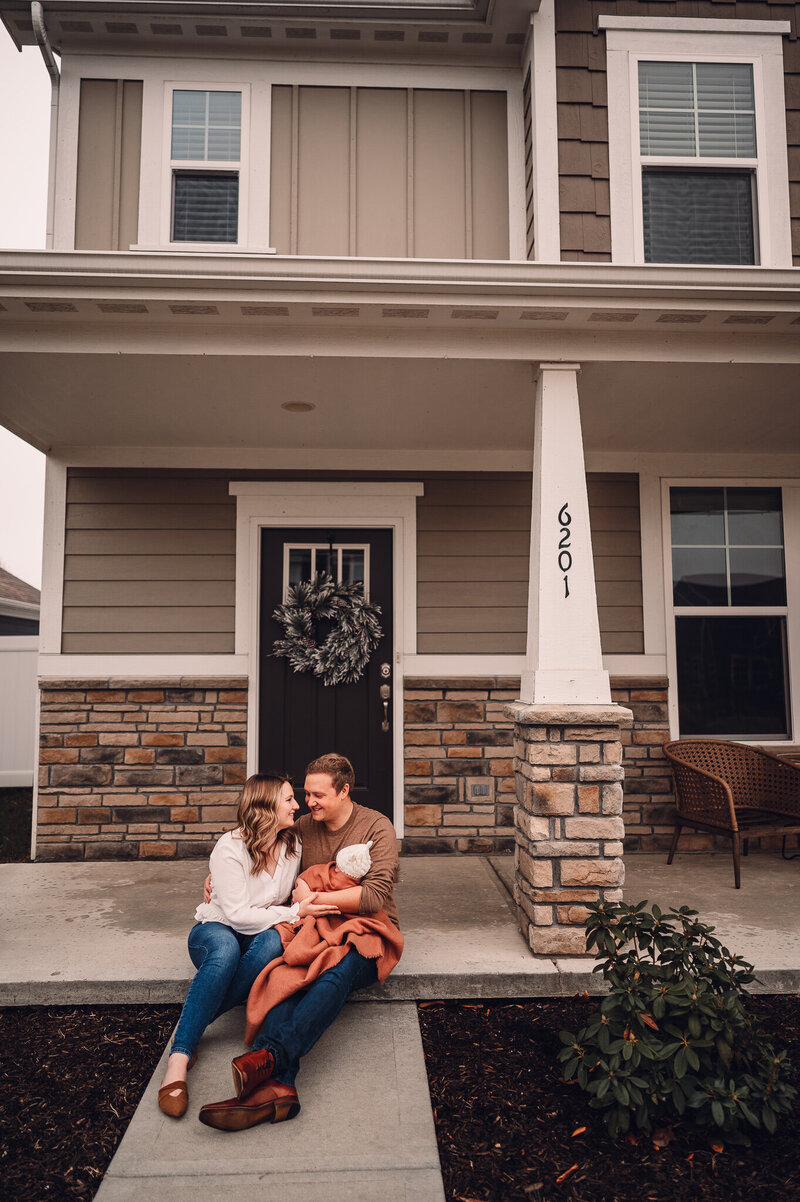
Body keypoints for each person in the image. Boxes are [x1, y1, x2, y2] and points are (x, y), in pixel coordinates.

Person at [197, 752, 401, 1131]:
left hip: (366, 933)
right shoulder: (302, 828)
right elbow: (249, 846)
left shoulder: (377, 827)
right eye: (305, 794)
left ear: (344, 791)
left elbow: (373, 897)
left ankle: (269, 1057)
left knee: (334, 976)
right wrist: (215, 879)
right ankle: (280, 1092)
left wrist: (311, 901)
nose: (309, 803)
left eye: (318, 795)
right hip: (311, 929)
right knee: (284, 979)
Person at [157, 772, 338, 1119]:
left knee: (272, 945)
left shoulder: (292, 844)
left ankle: (190, 1027)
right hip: (216, 928)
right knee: (225, 953)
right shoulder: (229, 848)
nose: (297, 805)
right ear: (266, 806)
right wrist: (294, 911)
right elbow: (238, 916)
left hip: (260, 932)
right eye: (288, 799)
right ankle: (178, 1060)